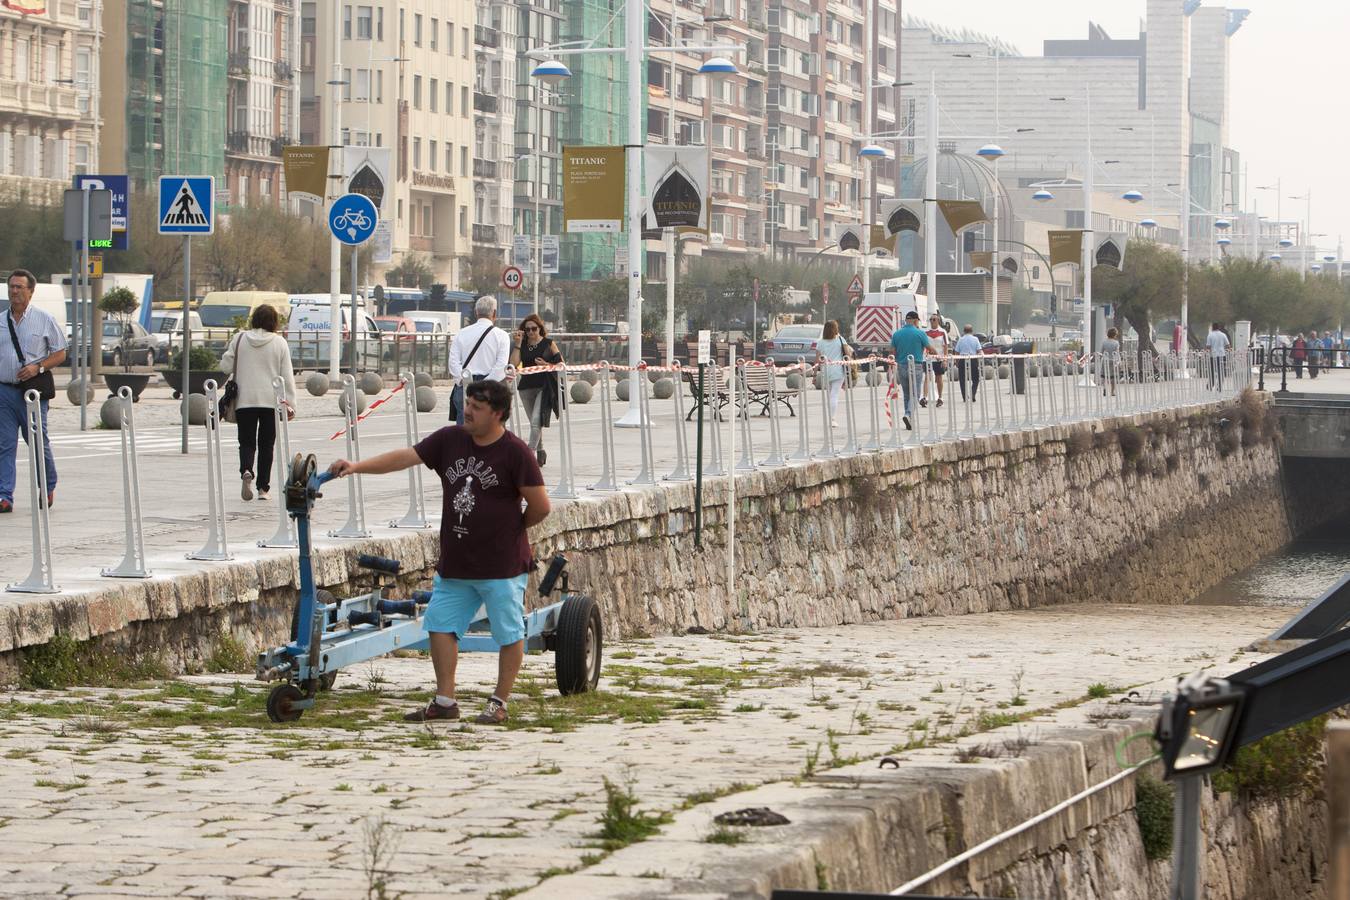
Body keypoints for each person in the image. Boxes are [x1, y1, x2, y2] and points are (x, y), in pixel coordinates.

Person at [329, 379, 550, 725]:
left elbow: (540, 506)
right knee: (440, 625)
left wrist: (512, 529)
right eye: (468, 405)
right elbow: (406, 457)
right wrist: (357, 466)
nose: (468, 412)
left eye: (477, 408)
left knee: (508, 632)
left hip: (501, 565)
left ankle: (498, 702)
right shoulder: (450, 439)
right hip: (456, 563)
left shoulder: (515, 452)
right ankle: (445, 700)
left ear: (498, 414)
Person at [0, 269, 65, 514]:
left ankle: (47, 486)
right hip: (4, 392)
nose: (14, 291)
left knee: (37, 442)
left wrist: (38, 367)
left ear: (30, 290)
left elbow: (60, 353)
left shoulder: (44, 319)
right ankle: (4, 496)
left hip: (32, 394)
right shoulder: (1, 320)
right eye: (12, 287)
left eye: (19, 287)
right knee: (4, 445)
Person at [220, 303, 297, 501]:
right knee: (266, 444)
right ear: (274, 322)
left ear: (254, 319)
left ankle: (246, 470)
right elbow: (287, 376)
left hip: (245, 400)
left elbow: (225, 366)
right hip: (270, 402)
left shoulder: (240, 339)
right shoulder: (280, 343)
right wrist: (290, 403)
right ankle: (263, 488)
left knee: (246, 441)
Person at [509, 313, 564, 465]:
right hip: (525, 388)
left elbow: (561, 364)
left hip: (544, 387)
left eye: (534, 328)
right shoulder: (523, 344)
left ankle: (528, 455)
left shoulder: (548, 343)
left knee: (535, 422)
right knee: (535, 423)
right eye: (527, 330)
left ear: (540, 328)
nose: (531, 332)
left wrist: (546, 365)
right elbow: (513, 364)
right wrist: (518, 344)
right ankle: (540, 451)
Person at [448, 295, 510, 424]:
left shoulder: (461, 333)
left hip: (465, 384)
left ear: (476, 312)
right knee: (491, 430)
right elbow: (501, 366)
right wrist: (485, 385)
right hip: (490, 387)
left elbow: (453, 362)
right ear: (494, 313)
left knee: (464, 429)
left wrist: (462, 380)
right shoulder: (502, 336)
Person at [889, 310, 933, 430]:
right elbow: (930, 348)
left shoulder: (897, 334)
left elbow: (892, 351)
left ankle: (909, 419)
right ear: (915, 320)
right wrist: (936, 353)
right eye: (917, 320)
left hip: (901, 366)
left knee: (907, 394)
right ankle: (908, 414)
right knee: (915, 394)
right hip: (916, 366)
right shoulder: (920, 333)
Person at [814, 320, 852, 427]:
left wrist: (814, 375)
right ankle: (832, 418)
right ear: (836, 329)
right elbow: (848, 354)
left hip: (826, 371)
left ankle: (830, 416)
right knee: (834, 394)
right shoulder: (840, 340)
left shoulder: (820, 342)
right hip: (838, 370)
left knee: (830, 394)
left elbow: (817, 360)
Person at [920, 313, 949, 408]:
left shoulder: (942, 332)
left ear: (938, 321)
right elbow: (923, 345)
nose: (932, 321)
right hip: (927, 358)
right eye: (931, 319)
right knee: (927, 377)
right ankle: (924, 397)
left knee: (939, 377)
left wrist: (944, 359)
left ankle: (940, 398)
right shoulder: (925, 332)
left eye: (934, 319)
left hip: (939, 358)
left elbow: (945, 347)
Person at [953, 324, 983, 402]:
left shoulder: (961, 339)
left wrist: (956, 362)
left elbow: (956, 351)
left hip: (962, 359)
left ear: (964, 331)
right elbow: (979, 350)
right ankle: (973, 393)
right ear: (972, 331)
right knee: (976, 378)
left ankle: (964, 397)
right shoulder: (975, 339)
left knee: (962, 379)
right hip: (972, 359)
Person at [1206, 322, 1231, 391]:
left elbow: (1208, 346)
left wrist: (1206, 352)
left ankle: (1211, 384)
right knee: (1221, 371)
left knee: (1212, 371)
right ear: (1219, 327)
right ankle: (1219, 386)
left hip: (1213, 356)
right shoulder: (1223, 335)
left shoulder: (1210, 335)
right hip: (1222, 355)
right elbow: (1228, 345)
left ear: (1212, 328)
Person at [1099, 327, 1122, 397]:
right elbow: (1117, 353)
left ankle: (1105, 388)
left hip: (1105, 360)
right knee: (1113, 377)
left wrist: (1101, 359)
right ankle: (1112, 392)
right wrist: (1119, 361)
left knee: (1104, 376)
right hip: (1113, 361)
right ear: (1115, 335)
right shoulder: (1116, 343)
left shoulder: (1104, 342)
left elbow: (1101, 352)